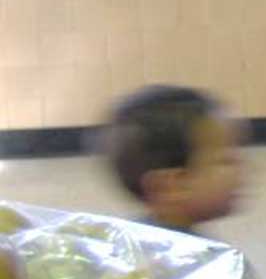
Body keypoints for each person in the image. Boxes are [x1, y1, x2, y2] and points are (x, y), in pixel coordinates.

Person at [96, 84, 249, 234]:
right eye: (226, 160)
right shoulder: (201, 256)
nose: (242, 165)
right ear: (172, 186)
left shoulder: (129, 240)